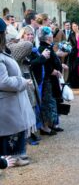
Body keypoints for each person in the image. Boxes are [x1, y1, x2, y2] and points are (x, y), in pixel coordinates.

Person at [0, 18, 36, 167]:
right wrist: (21, 81)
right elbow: (3, 81)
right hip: (5, 105)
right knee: (7, 142)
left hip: (9, 104)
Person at [38, 26, 63, 135]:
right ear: (48, 38)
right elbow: (46, 65)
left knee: (53, 101)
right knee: (48, 102)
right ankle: (45, 127)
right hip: (48, 80)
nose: (52, 36)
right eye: (51, 35)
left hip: (52, 79)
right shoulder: (44, 48)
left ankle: (51, 124)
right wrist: (55, 72)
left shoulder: (48, 46)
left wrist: (60, 66)